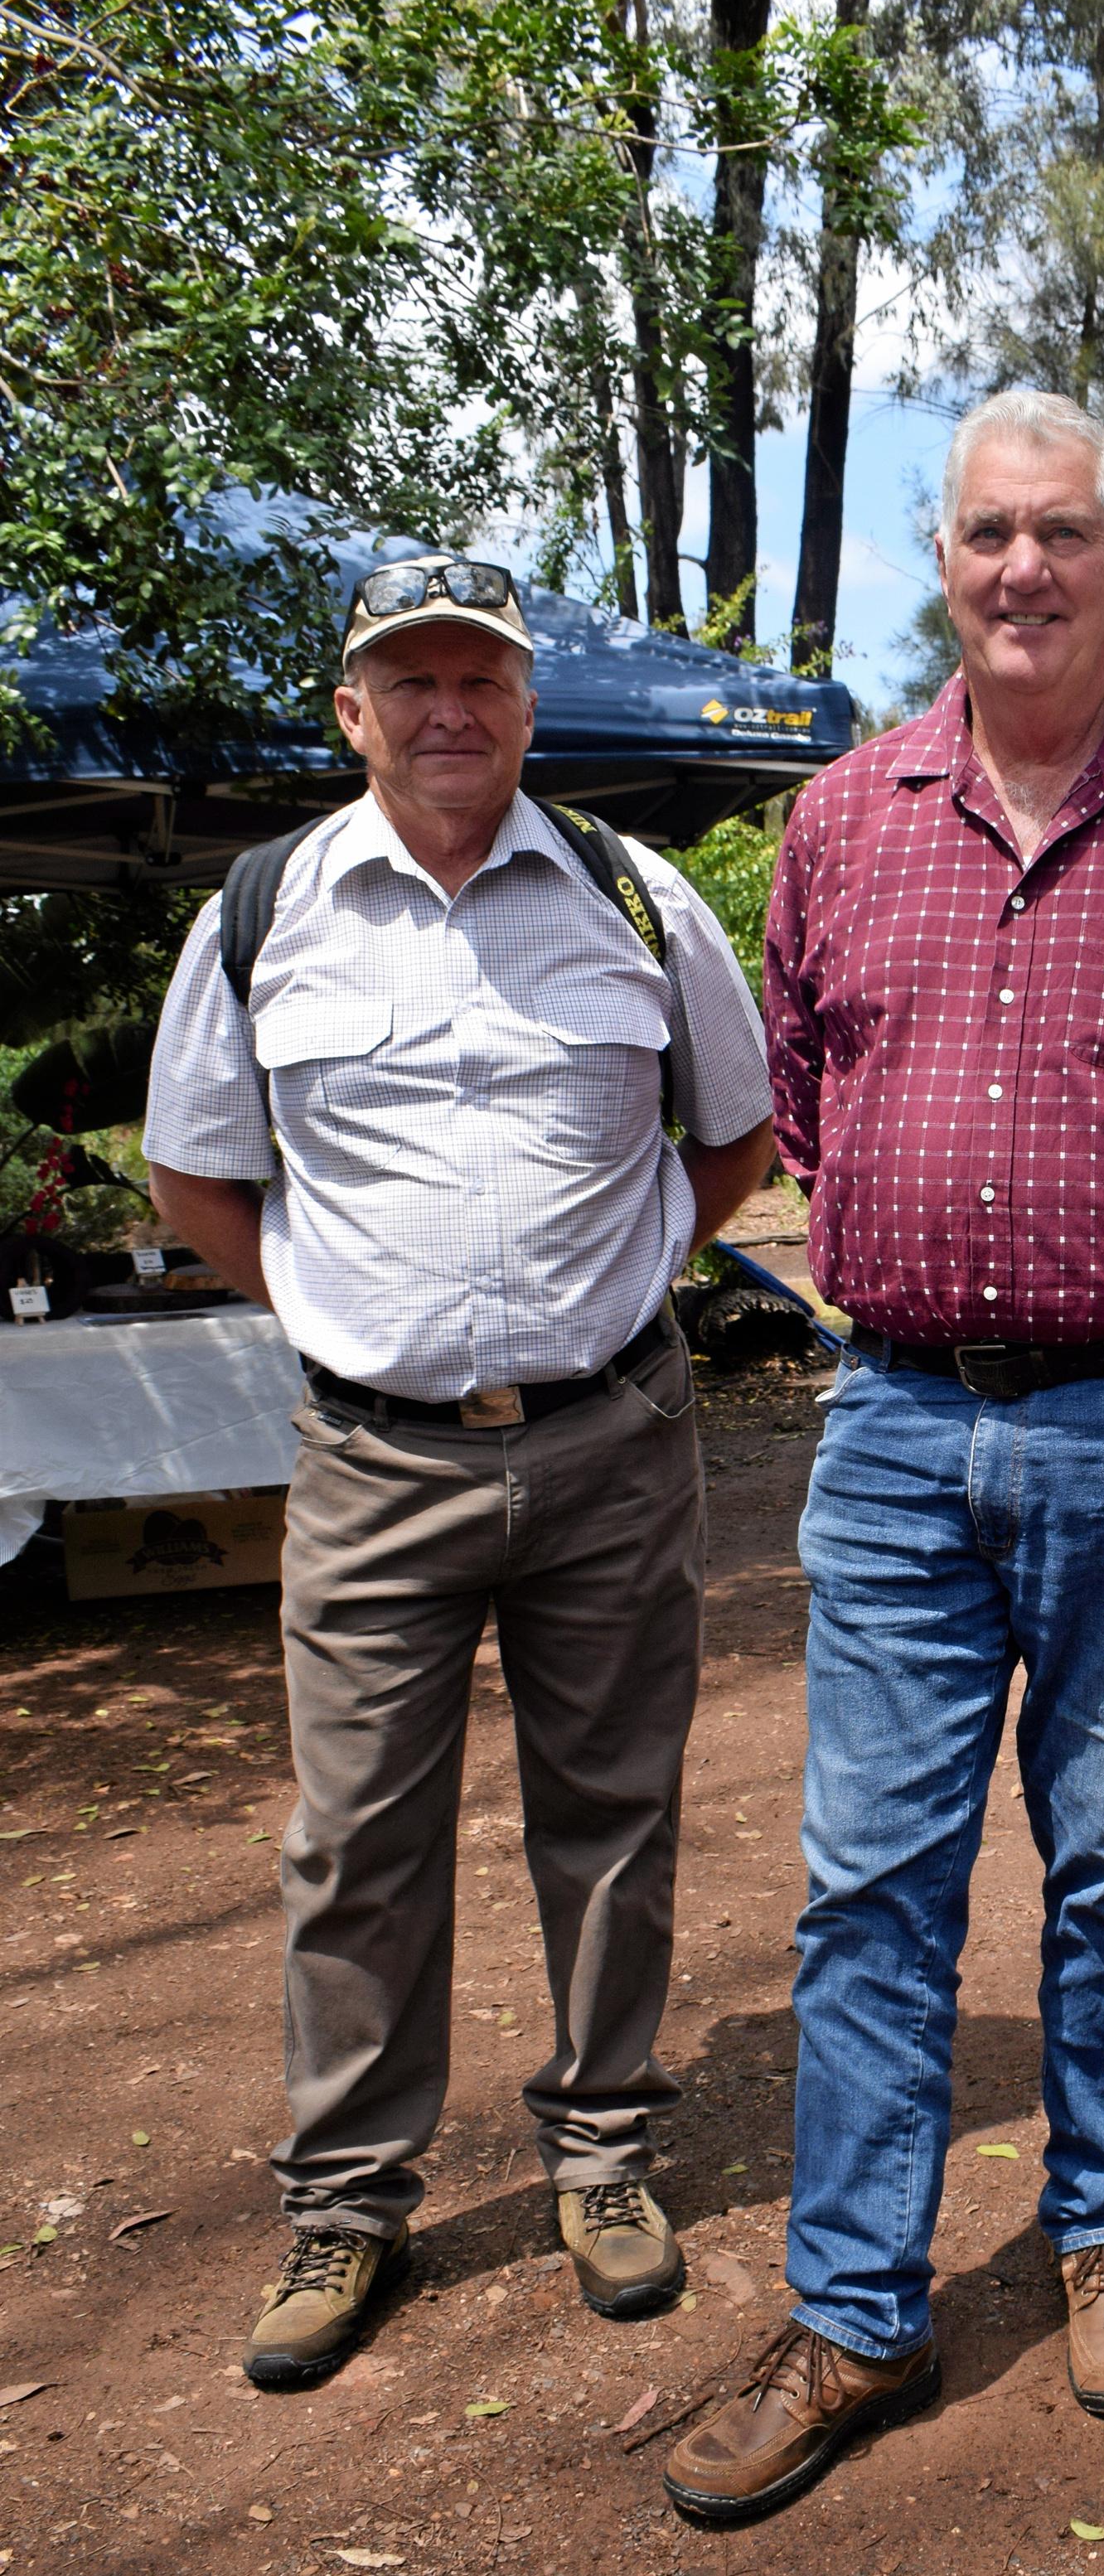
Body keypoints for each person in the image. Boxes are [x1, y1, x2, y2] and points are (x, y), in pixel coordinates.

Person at [662, 388, 1104, 2525]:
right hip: (889, 1420)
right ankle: (860, 2303)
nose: (1024, 570)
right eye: (987, 533)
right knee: (869, 1880)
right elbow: (802, 1076)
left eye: (1064, 532)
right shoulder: (843, 818)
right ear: (945, 560)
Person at [144, 557, 777, 2389]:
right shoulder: (266, 911)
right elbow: (199, 1176)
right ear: (351, 711)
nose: (446, 710)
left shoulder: (634, 900)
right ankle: (348, 2199)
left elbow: (733, 1135)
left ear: (523, 701)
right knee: (355, 1842)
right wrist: (347, 1318)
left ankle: (602, 2150)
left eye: (478, 678)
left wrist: (623, 1285)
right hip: (370, 1462)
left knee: (614, 1812)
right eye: (405, 680)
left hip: (610, 1444)